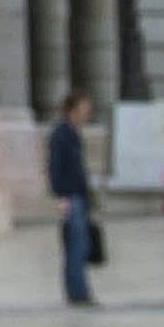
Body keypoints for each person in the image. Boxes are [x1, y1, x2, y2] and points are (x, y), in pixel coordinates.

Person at [46, 87, 104, 307]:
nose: (86, 114)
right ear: (72, 110)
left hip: (80, 196)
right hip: (71, 197)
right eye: (83, 109)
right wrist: (61, 196)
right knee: (76, 246)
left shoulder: (73, 134)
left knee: (80, 244)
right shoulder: (61, 135)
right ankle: (79, 293)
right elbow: (55, 168)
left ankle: (77, 291)